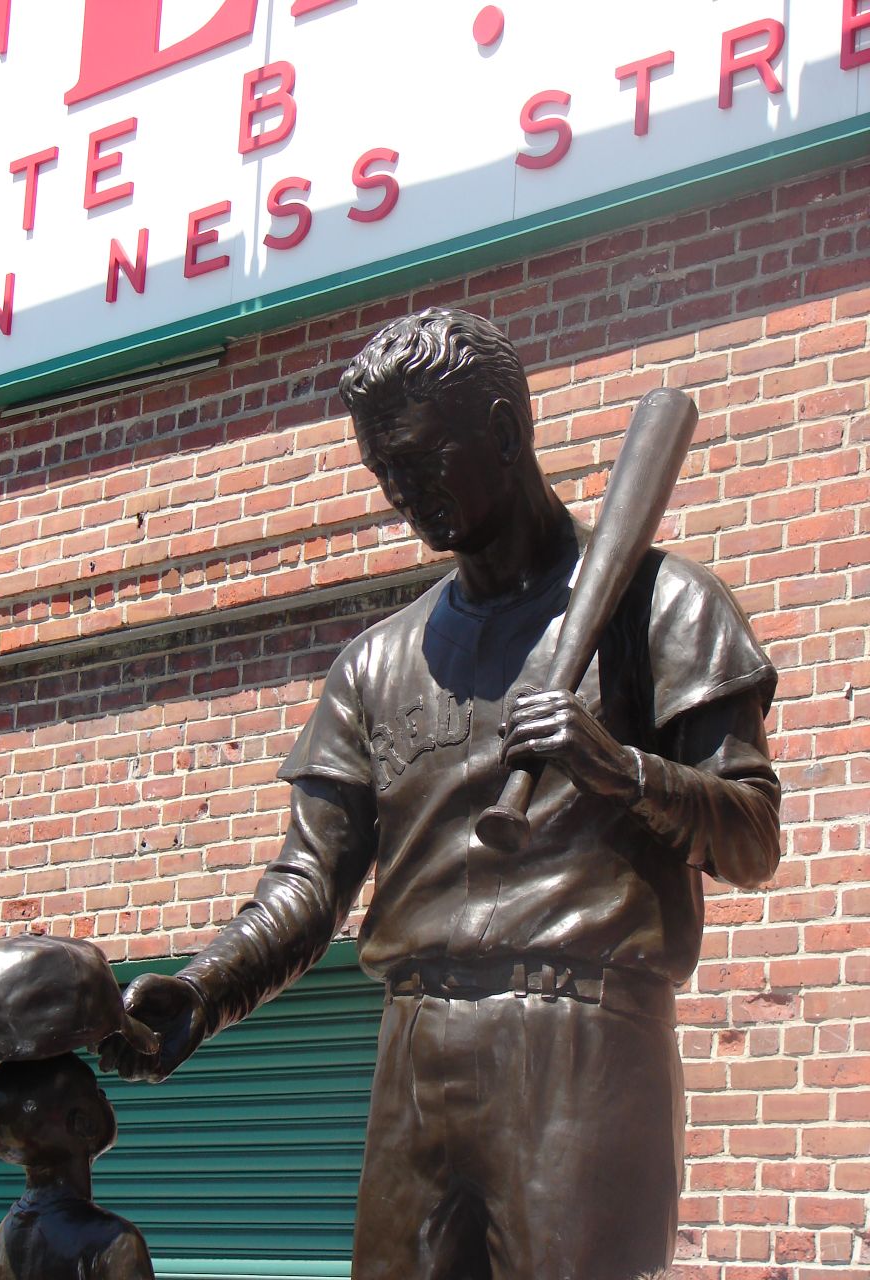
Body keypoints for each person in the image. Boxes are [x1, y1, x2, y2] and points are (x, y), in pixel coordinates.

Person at [101, 308, 781, 1280]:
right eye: (383, 472)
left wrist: (617, 766)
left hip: (578, 1035)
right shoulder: (376, 664)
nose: (400, 494)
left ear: (506, 432)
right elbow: (309, 879)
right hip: (416, 1046)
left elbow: (753, 834)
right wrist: (208, 988)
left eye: (422, 458)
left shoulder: (663, 609)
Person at [0, 1052, 155, 1280]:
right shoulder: (114, 1241)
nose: (107, 1099)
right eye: (98, 1093)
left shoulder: (5, 1234)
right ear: (83, 1123)